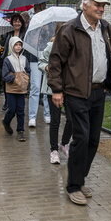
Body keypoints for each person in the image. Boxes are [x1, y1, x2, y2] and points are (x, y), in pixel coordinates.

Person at [48, 0, 111, 206]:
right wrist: (57, 90)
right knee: (82, 137)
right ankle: (73, 186)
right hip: (76, 93)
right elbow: (55, 61)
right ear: (84, 5)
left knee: (94, 140)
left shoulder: (106, 28)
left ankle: (79, 178)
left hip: (98, 91)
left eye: (103, 5)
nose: (101, 8)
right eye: (97, 4)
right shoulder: (70, 29)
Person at [40, 35, 71, 164]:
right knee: (55, 120)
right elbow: (41, 62)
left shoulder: (73, 47)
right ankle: (54, 150)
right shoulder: (51, 46)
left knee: (72, 118)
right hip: (52, 88)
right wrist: (47, 67)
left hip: (70, 87)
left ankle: (64, 143)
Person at [1, 36, 30, 141]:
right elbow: (4, 75)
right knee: (12, 109)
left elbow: (28, 70)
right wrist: (14, 77)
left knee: (21, 110)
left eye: (20, 45)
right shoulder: (8, 60)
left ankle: (20, 131)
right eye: (16, 45)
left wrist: (26, 78)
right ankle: (6, 121)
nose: (18, 47)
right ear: (11, 46)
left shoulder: (24, 59)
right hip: (11, 89)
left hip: (22, 89)